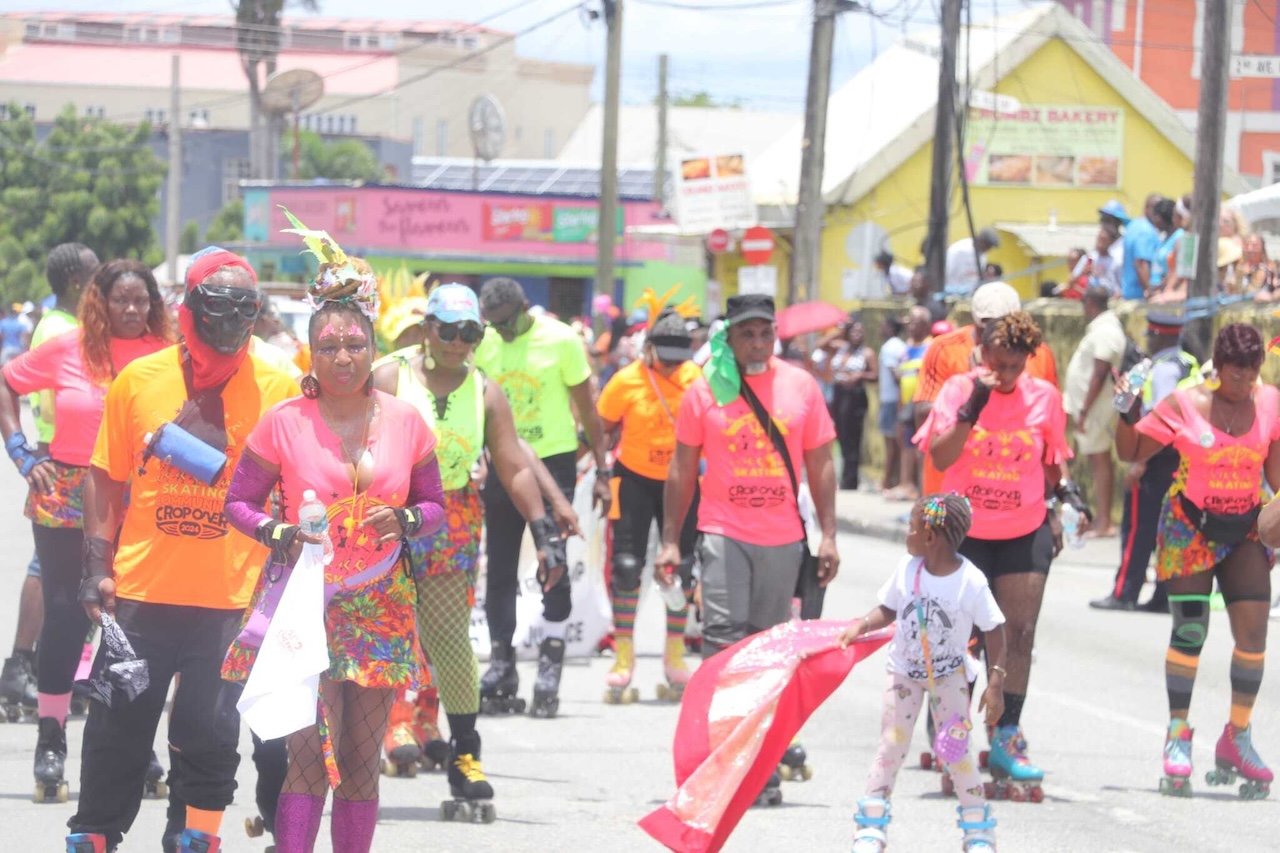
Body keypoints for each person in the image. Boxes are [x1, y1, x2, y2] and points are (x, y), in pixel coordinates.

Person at [65, 249, 296, 853]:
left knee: (210, 730)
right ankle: (92, 835)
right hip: (140, 594)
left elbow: (303, 484)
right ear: (188, 310)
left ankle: (196, 838)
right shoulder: (139, 380)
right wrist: (95, 565)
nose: (229, 325)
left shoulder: (282, 384)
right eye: (215, 310)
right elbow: (106, 475)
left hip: (232, 602)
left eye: (243, 312)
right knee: (116, 726)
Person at [222, 241, 446, 852]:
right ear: (310, 353)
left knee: (360, 761)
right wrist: (282, 532)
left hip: (381, 606)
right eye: (329, 347)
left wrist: (403, 520)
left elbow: (435, 510)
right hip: (305, 605)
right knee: (309, 759)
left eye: (355, 345)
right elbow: (237, 504)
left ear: (374, 351)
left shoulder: (406, 420)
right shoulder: (284, 421)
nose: (343, 357)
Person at [371, 282, 574, 814]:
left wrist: (543, 529)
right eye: (449, 330)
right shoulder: (390, 375)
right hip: (382, 517)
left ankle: (465, 755)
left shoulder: (485, 390)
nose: (459, 342)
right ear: (427, 328)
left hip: (451, 517)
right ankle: (375, 734)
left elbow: (511, 463)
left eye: (471, 333)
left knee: (450, 642)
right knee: (380, 632)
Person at [0, 258, 171, 804]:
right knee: (67, 613)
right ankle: (51, 739)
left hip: (136, 495)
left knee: (128, 618)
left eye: (141, 301)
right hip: (66, 487)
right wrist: (21, 450)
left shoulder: (164, 356)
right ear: (99, 300)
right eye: (121, 300)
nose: (131, 310)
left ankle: (133, 740)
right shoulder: (67, 348)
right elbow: (7, 383)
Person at [658, 293, 839, 804]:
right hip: (722, 530)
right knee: (722, 639)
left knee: (766, 649)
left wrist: (828, 533)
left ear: (775, 335)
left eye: (764, 332)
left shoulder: (800, 385)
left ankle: (758, 754)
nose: (756, 342)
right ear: (730, 338)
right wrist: (672, 540)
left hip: (783, 538)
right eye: (746, 334)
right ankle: (724, 754)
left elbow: (822, 463)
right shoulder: (705, 389)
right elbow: (681, 468)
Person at [915, 311, 1087, 798]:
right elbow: (942, 458)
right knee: (964, 637)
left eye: (1015, 366)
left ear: (1027, 360)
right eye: (997, 364)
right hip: (963, 531)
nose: (1005, 375)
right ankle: (954, 735)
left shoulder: (1044, 398)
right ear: (982, 354)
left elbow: (1052, 461)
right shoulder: (957, 391)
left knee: (1018, 633)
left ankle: (1007, 734)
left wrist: (1068, 497)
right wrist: (976, 400)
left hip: (1023, 527)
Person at [1117, 324, 1277, 799]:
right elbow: (1131, 452)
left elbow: (1276, 475)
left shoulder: (1270, 404)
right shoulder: (1185, 404)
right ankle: (1178, 733)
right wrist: (1126, 413)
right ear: (1217, 368)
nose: (1243, 384)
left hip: (1246, 526)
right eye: (1234, 374)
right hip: (1189, 526)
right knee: (1190, 633)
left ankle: (1238, 737)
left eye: (1251, 375)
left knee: (1253, 634)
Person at [473, 277, 613, 717]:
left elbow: (588, 408)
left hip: (553, 462)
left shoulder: (561, 339)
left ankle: (551, 663)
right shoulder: (487, 343)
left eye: (509, 322)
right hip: (503, 463)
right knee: (499, 566)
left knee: (553, 561)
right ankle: (502, 663)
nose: (503, 332)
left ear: (525, 307)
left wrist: (604, 470)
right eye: (494, 325)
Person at [841, 494, 1007, 853]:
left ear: (930, 537)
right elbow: (888, 608)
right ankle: (871, 826)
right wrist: (861, 625)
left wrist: (995, 682)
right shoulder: (907, 569)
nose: (907, 534)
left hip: (949, 679)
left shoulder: (970, 582)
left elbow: (995, 629)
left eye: (912, 528)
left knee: (956, 752)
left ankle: (977, 830)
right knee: (891, 746)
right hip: (903, 673)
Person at [0, 244, 99, 725]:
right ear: (78, 282)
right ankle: (29, 665)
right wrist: (21, 451)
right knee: (58, 583)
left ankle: (39, 665)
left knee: (68, 582)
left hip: (70, 459)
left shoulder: (61, 324)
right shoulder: (65, 331)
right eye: (95, 274)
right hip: (62, 461)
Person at [594, 309, 702, 703]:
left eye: (679, 358)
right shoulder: (626, 382)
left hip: (686, 481)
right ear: (649, 348)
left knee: (682, 567)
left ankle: (674, 655)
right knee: (626, 567)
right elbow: (599, 429)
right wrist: (601, 477)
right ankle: (624, 657)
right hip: (634, 479)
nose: (674, 366)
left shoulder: (698, 380)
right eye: (666, 357)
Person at [1091, 314, 1201, 612]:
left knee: (1139, 528)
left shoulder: (1163, 370)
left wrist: (1139, 462)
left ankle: (1125, 591)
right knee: (1169, 529)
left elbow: (1159, 422)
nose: (1147, 341)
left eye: (1150, 335)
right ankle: (1162, 595)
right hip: (1185, 461)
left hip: (1156, 458)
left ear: (1158, 336)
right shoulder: (1190, 364)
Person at [912, 282, 1059, 497]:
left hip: (1015, 494)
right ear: (975, 321)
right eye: (988, 327)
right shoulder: (944, 349)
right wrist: (972, 390)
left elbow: (1048, 429)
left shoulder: (1039, 354)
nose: (997, 335)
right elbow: (924, 414)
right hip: (950, 491)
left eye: (1005, 327)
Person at [1063, 285, 1126, 538]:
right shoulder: (1102, 329)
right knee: (1095, 459)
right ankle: (1100, 520)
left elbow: (1100, 373)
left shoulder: (1106, 331)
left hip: (1096, 408)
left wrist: (1085, 411)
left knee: (1099, 459)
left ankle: (1104, 522)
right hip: (1090, 407)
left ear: (1089, 303)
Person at [889, 307, 932, 501]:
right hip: (906, 404)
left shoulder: (930, 347)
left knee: (918, 448)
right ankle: (906, 484)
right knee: (905, 444)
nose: (910, 326)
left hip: (922, 404)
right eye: (909, 322)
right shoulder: (906, 348)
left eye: (915, 322)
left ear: (925, 325)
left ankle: (918, 487)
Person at [831, 318, 877, 490]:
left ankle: (850, 480)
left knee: (853, 436)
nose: (858, 335)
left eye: (860, 332)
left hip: (855, 396)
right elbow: (821, 344)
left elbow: (875, 375)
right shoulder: (841, 349)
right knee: (841, 435)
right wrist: (839, 330)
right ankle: (844, 475)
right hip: (839, 394)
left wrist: (859, 376)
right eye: (854, 331)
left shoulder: (866, 353)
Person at [877, 316, 907, 495]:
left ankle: (887, 481)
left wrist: (899, 400)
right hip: (896, 399)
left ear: (889, 328)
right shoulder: (901, 346)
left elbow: (895, 375)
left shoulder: (889, 348)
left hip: (891, 399)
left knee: (891, 444)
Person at [1121, 193, 1165, 300]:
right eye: (1156, 209)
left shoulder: (1134, 225)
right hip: (1139, 296)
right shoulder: (1145, 231)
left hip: (1130, 293)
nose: (1159, 214)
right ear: (1148, 208)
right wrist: (1150, 292)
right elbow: (1141, 263)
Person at [945, 227, 1000, 295]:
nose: (988, 250)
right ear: (981, 241)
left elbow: (975, 277)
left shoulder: (983, 255)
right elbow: (946, 272)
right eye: (988, 246)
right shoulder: (958, 251)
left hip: (968, 296)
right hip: (951, 294)